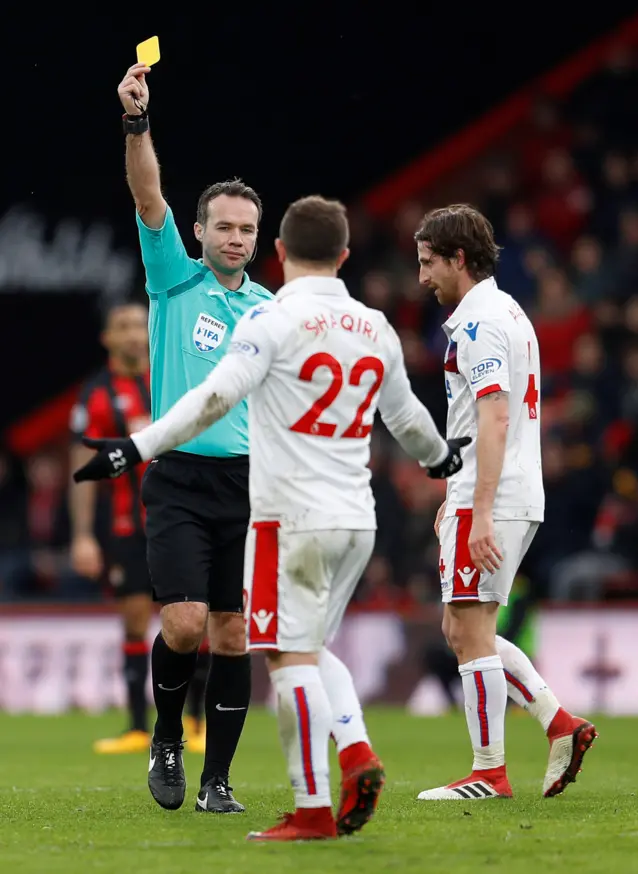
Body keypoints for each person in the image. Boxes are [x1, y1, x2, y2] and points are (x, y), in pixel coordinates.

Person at [73, 194, 470, 841]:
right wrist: (440, 459)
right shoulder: (373, 326)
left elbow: (214, 397)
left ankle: (315, 801)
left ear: (279, 251)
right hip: (358, 518)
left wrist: (136, 446)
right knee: (304, 646)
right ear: (344, 256)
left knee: (285, 657)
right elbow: (406, 420)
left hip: (285, 512)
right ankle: (354, 751)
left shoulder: (269, 318)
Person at [116, 62, 273, 813]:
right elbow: (147, 193)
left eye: (247, 229)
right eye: (224, 227)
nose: (236, 238)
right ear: (200, 231)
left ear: (259, 236)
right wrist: (138, 122)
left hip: (247, 482)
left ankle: (218, 783)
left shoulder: (275, 309)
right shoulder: (174, 279)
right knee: (182, 625)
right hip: (177, 475)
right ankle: (167, 739)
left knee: (234, 634)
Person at [414, 204, 597, 801]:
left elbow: (493, 418)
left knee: (469, 629)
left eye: (428, 263)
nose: (423, 278)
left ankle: (489, 772)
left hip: (494, 494)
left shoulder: (480, 323)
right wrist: (456, 495)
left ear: (457, 259)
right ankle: (559, 724)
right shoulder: (508, 310)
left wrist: (479, 508)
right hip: (495, 489)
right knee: (465, 626)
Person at [69, 303, 156, 752]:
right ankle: (139, 727)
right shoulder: (97, 395)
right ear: (107, 338)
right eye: (123, 327)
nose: (133, 335)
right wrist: (83, 534)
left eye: (139, 325)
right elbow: (81, 468)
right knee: (136, 621)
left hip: (181, 517)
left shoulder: (170, 378)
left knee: (196, 620)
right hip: (128, 526)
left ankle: (196, 724)